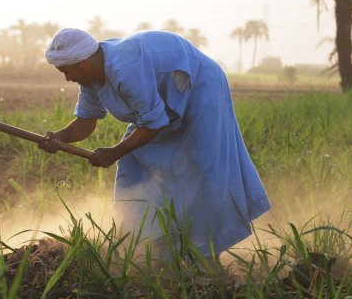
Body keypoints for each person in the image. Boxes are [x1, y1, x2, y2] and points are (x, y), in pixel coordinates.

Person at [39, 27, 271, 258]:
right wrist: (60, 138)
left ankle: (207, 253)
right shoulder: (91, 79)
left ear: (83, 62)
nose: (68, 78)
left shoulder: (124, 67)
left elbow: (154, 122)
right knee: (135, 163)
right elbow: (86, 121)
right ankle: (140, 242)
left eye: (67, 71)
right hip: (163, 103)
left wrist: (115, 152)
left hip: (200, 87)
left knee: (204, 167)